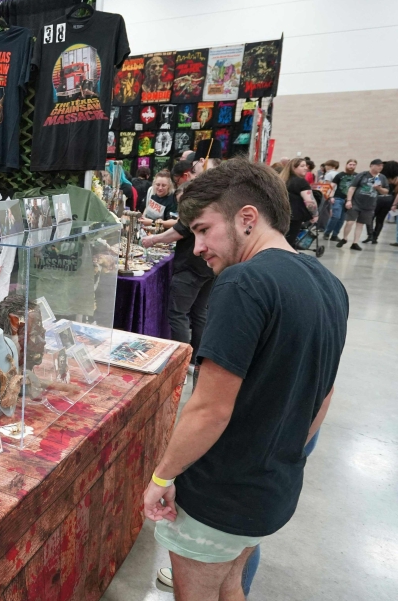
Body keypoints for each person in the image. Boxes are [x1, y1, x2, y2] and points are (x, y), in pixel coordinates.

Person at [143, 158, 347, 601]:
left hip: (219, 495)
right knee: (232, 584)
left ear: (247, 218)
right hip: (272, 490)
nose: (196, 246)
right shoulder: (329, 283)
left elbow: (210, 409)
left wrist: (161, 478)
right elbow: (324, 392)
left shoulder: (243, 282)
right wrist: (283, 453)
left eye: (202, 229)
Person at [142, 160, 213, 367]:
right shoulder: (208, 208)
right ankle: (195, 359)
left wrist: (153, 239)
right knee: (199, 314)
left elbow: (177, 231)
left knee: (178, 313)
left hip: (191, 268)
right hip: (206, 268)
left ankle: (183, 361)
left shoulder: (194, 211)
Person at [337, 158, 386, 250]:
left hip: (369, 205)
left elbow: (386, 191)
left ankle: (355, 243)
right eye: (378, 165)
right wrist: (349, 200)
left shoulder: (382, 177)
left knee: (360, 224)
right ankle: (345, 238)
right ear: (372, 165)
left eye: (382, 166)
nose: (381, 167)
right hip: (356, 203)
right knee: (350, 222)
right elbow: (352, 188)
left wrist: (379, 189)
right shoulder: (362, 175)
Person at [279, 157, 318, 248]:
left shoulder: (282, 180)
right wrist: (315, 214)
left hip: (280, 215)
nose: (306, 168)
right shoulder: (301, 182)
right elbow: (309, 201)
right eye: (302, 166)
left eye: (306, 166)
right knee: (288, 244)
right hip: (294, 217)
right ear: (294, 167)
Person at [324, 159, 356, 241]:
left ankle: (335, 235)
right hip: (338, 198)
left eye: (353, 165)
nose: (351, 166)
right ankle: (327, 232)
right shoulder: (340, 175)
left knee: (342, 219)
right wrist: (331, 197)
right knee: (335, 216)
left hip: (349, 200)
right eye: (350, 164)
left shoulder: (357, 176)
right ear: (346, 165)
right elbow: (332, 186)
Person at [368, 164, 396, 245]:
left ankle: (370, 235)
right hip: (389, 199)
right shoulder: (393, 180)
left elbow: (376, 188)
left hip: (378, 198)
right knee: (380, 220)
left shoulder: (379, 177)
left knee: (370, 218)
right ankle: (375, 237)